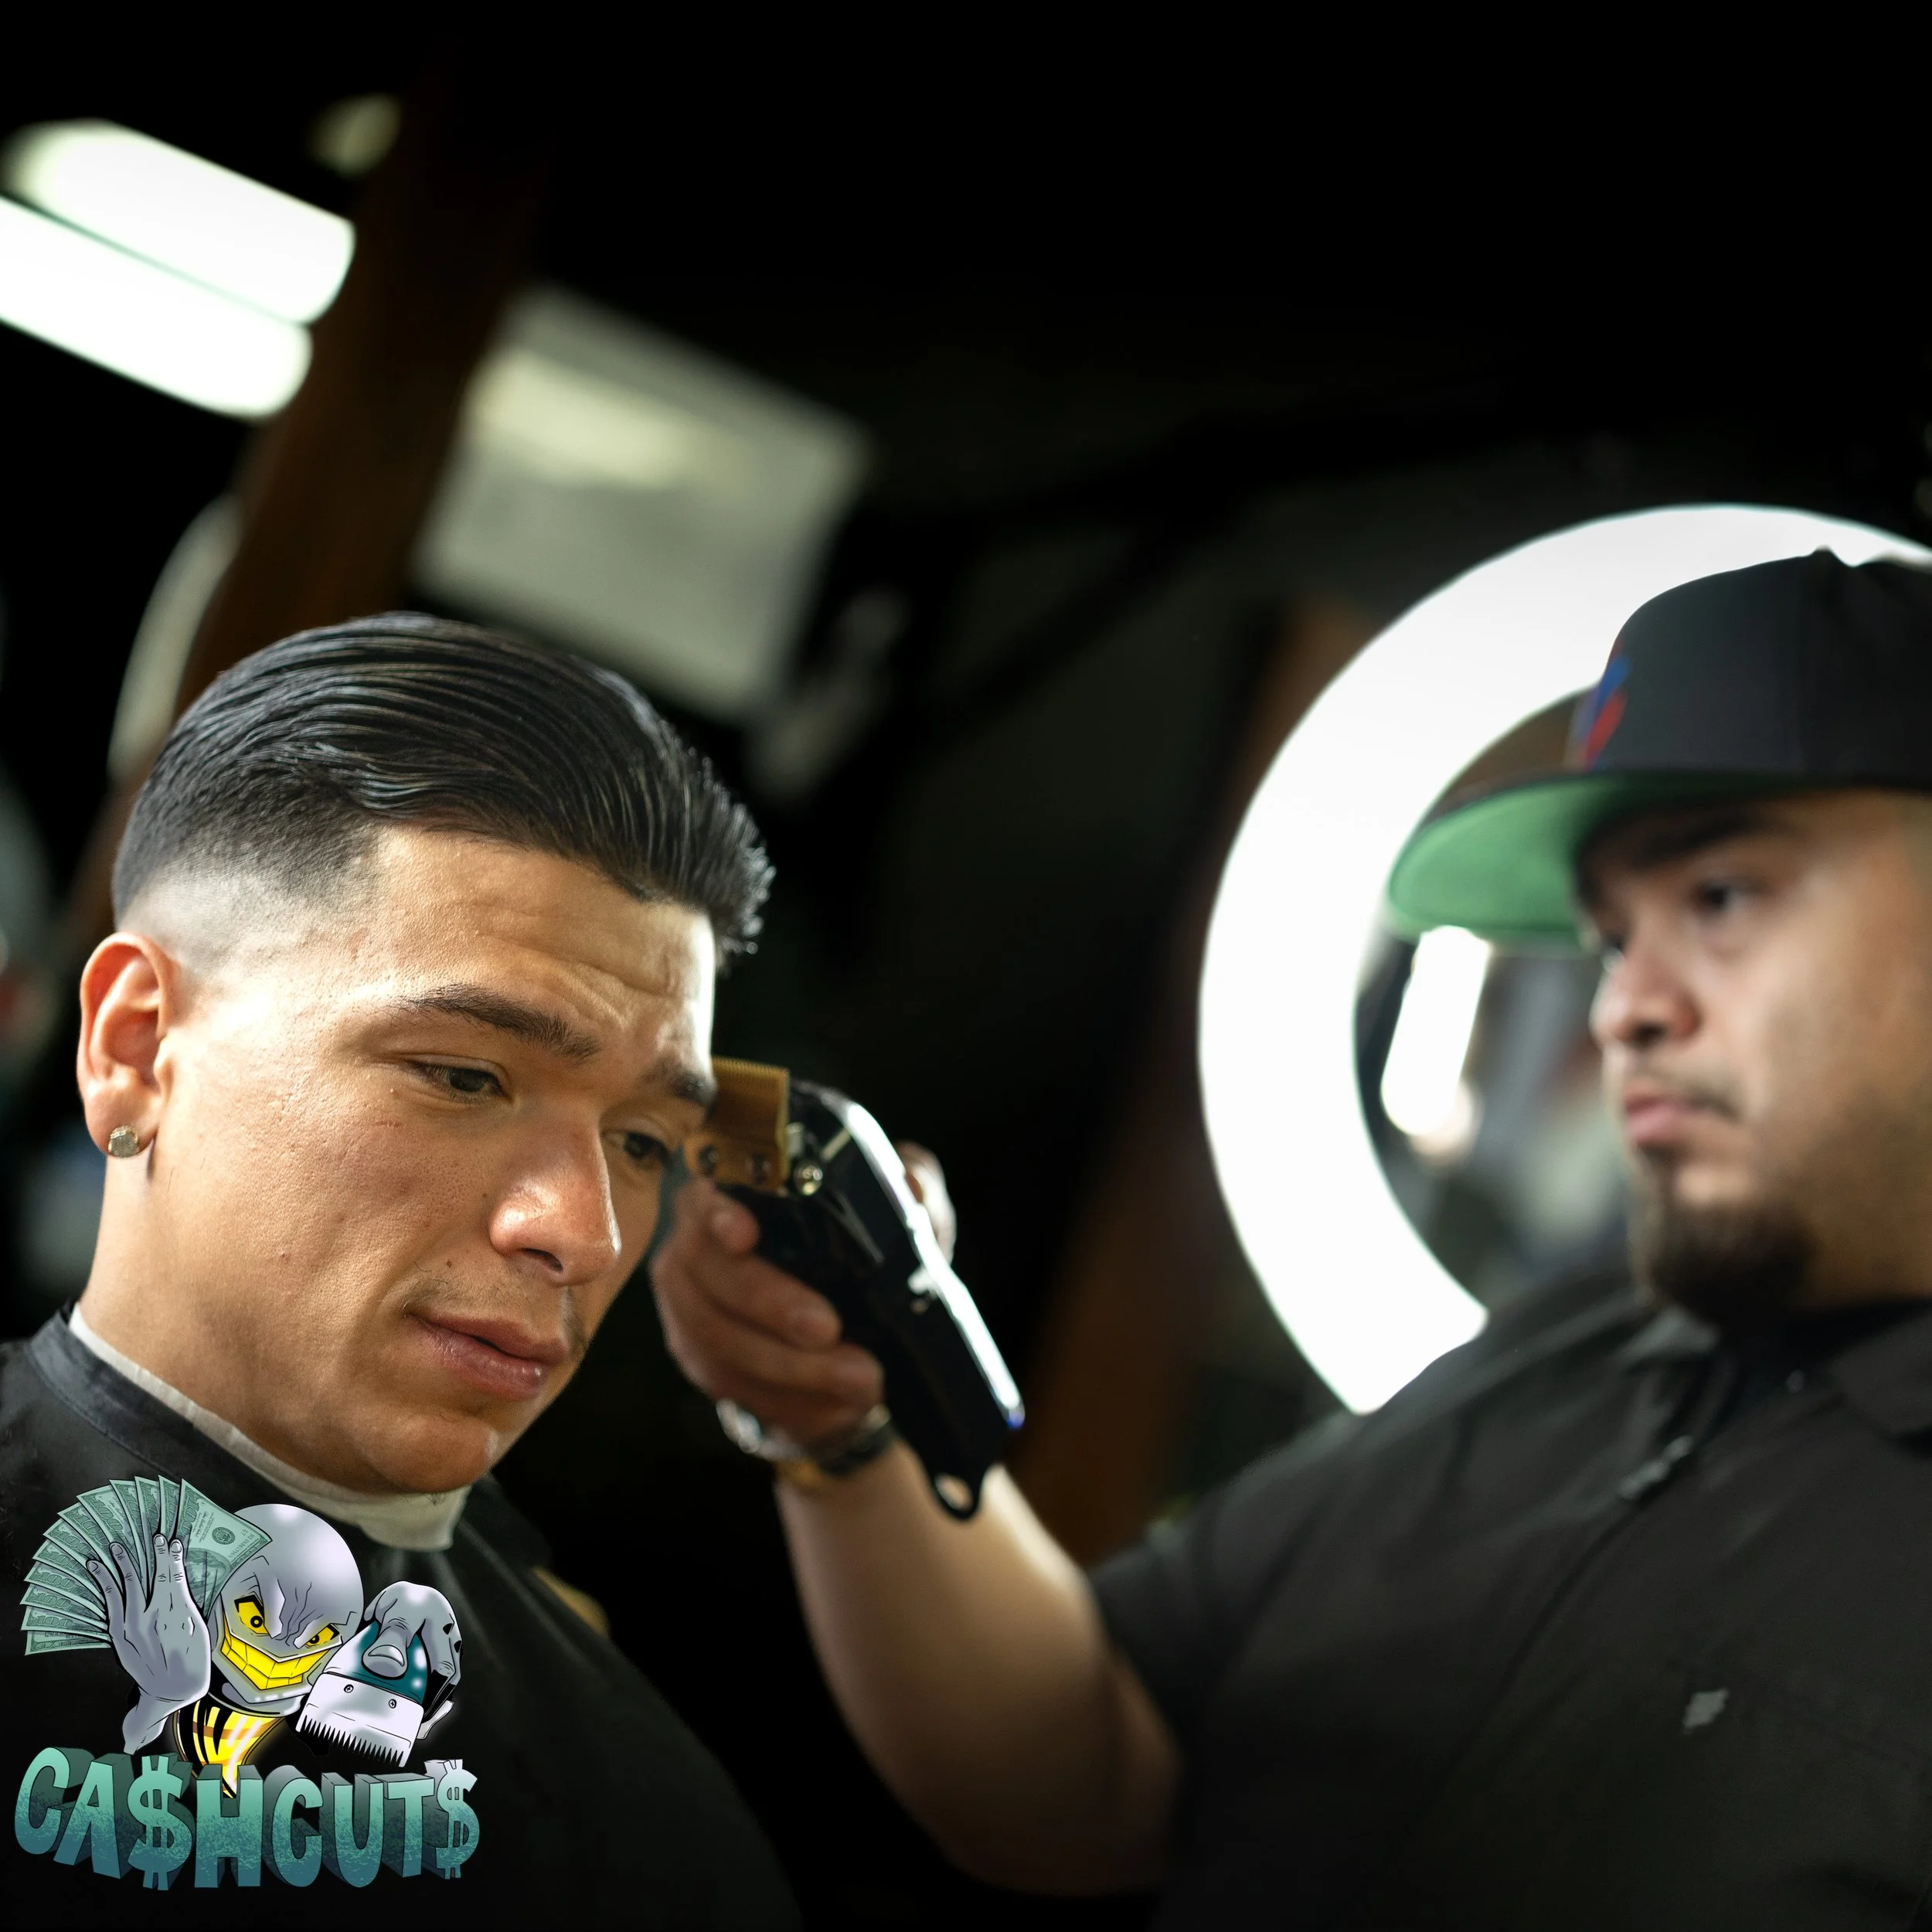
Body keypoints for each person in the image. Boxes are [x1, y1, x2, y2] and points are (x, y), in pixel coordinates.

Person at [654, 550, 1932, 1929]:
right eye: (1613, 936)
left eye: (1725, 898)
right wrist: (847, 1425)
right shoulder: (1571, 1359)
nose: (1624, 1007)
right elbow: (1085, 1771)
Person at [2, 616, 798, 1927]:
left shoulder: (659, 1834)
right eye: (465, 1076)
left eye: (645, 1141)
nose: (584, 1233)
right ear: (138, 1049)